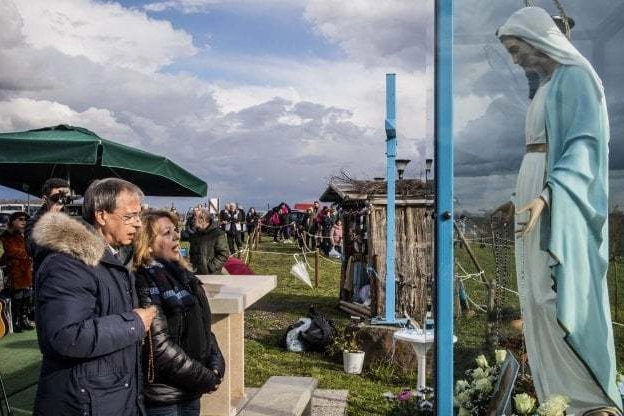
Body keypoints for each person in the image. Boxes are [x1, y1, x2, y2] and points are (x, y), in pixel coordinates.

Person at [495, 7, 622, 415]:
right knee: (533, 293)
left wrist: (547, 196)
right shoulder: (550, 83)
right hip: (533, 184)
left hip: (557, 194)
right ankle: (557, 397)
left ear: (538, 39)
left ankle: (586, 399)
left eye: (516, 49)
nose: (515, 59)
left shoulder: (578, 78)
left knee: (554, 293)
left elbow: (584, 147)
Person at [31, 177, 156, 416]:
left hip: (109, 397)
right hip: (84, 403)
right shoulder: (69, 262)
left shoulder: (111, 258)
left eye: (139, 215)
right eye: (129, 217)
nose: (138, 224)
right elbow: (66, 335)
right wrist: (134, 324)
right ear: (101, 216)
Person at [133, 209, 225, 416]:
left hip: (191, 392)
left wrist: (216, 363)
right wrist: (204, 377)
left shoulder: (185, 277)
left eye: (175, 230)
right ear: (147, 244)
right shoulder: (144, 282)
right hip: (163, 398)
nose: (177, 236)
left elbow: (203, 328)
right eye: (167, 233)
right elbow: (159, 347)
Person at [0, 211, 34, 332]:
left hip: (27, 269)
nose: (23, 221)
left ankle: (24, 319)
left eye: (25, 219)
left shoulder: (26, 234)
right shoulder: (6, 235)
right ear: (12, 221)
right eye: (20, 219)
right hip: (15, 270)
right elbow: (11, 250)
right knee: (17, 296)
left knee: (27, 295)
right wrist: (28, 254)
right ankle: (16, 321)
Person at [189, 209, 229, 275]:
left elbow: (224, 254)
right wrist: (193, 267)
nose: (193, 219)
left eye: (195, 217)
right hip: (197, 275)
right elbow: (192, 253)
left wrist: (210, 267)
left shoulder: (217, 234)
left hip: (213, 276)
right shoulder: (195, 235)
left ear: (203, 219)